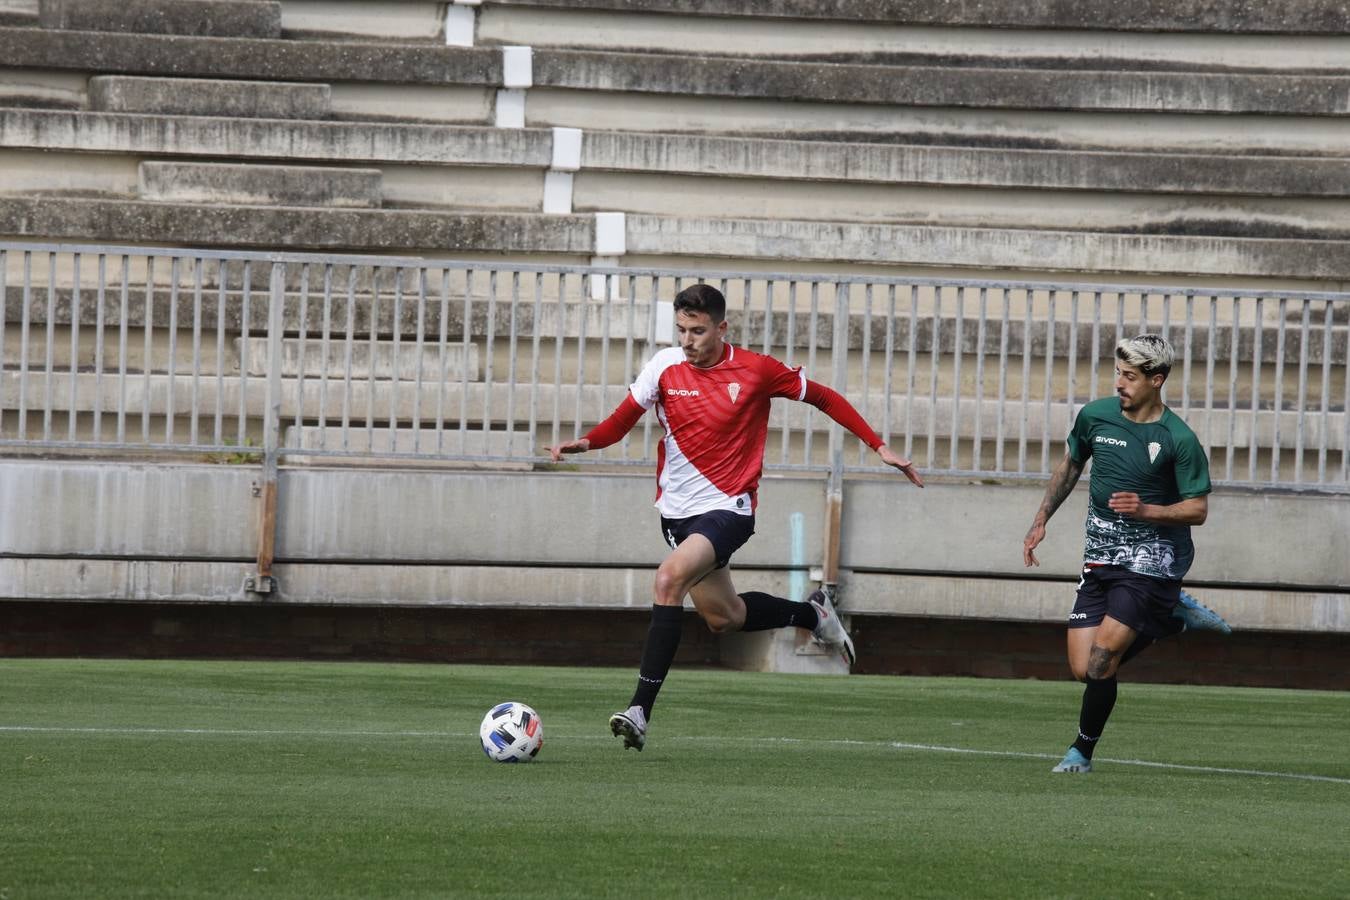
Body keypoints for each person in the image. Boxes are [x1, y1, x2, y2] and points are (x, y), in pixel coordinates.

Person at [547, 284, 923, 751]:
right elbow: (621, 421)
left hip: (729, 507)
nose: (688, 340)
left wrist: (879, 446)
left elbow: (825, 398)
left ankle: (640, 709)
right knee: (725, 618)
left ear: (721, 328)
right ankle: (813, 612)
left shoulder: (755, 370)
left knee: (668, 581)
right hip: (677, 515)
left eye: (698, 331)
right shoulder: (664, 366)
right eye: (681, 329)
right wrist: (586, 442)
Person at [1023, 334, 1232, 774]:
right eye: (1118, 372)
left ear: (1157, 380)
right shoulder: (1095, 416)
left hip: (1151, 560)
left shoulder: (1177, 438)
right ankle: (1170, 620)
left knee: (1102, 660)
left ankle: (1080, 753)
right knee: (1084, 668)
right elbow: (1071, 466)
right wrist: (1041, 519)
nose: (1120, 383)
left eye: (1131, 376)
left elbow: (1198, 509)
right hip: (1100, 555)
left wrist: (1147, 509)